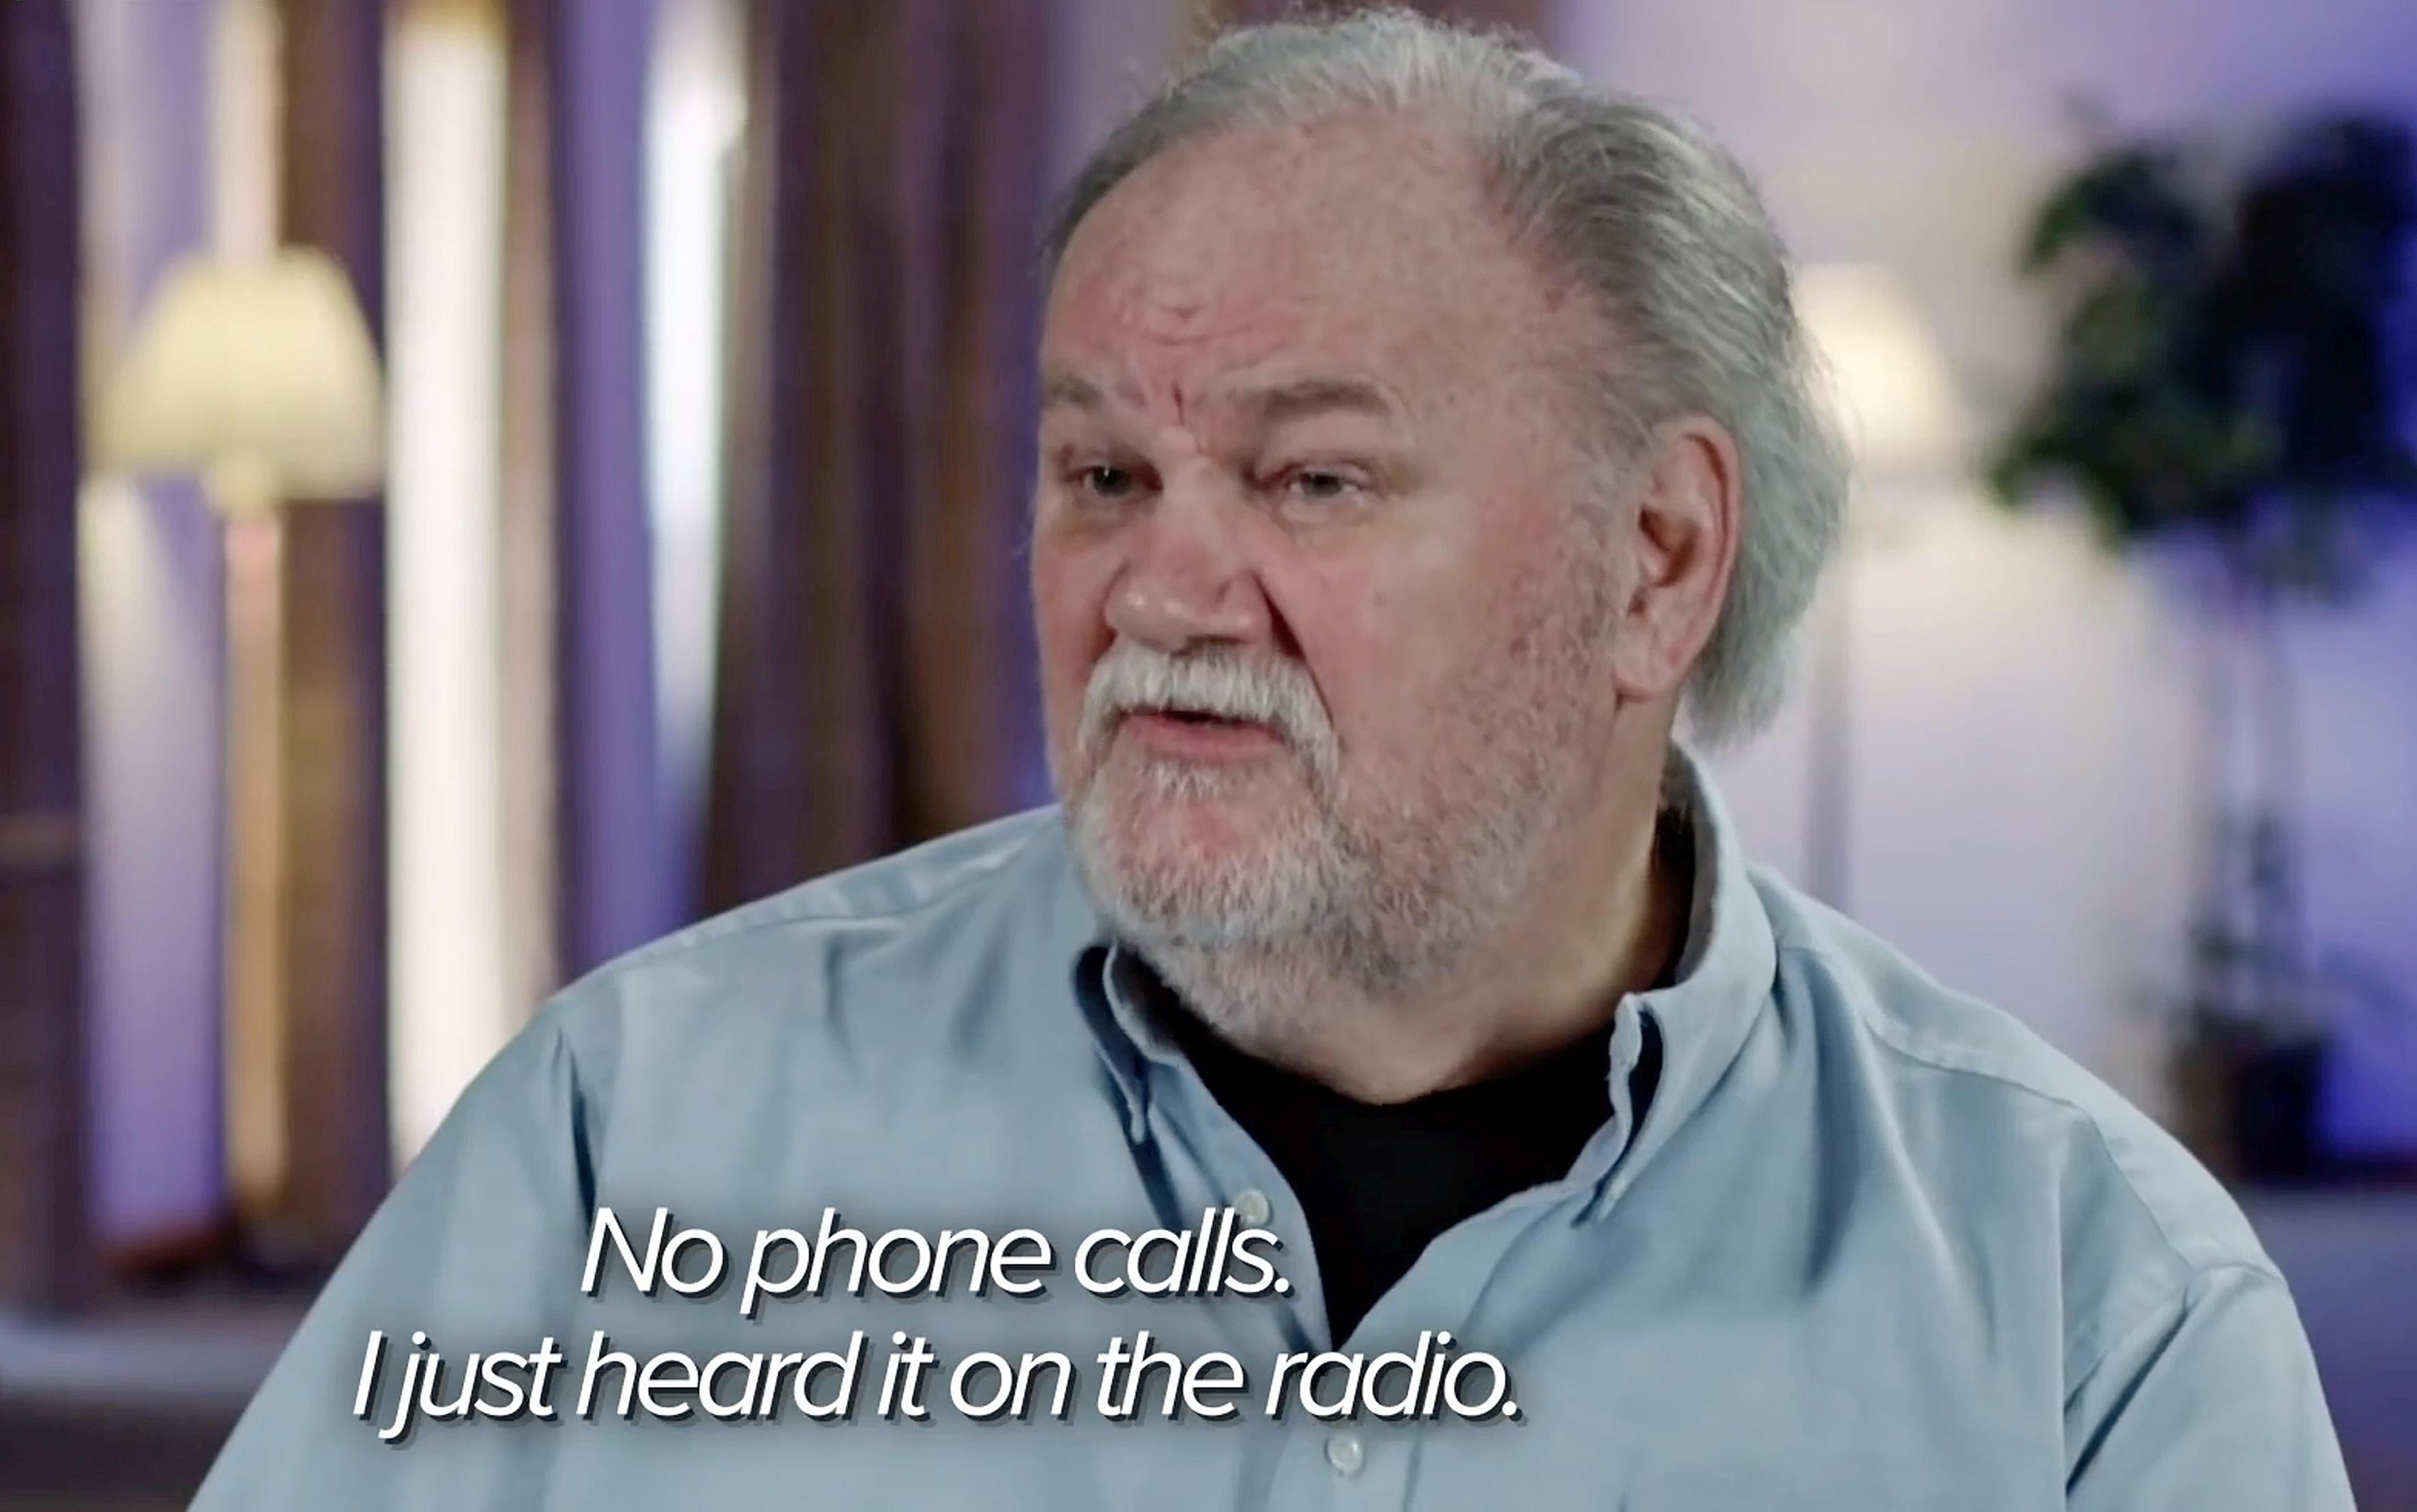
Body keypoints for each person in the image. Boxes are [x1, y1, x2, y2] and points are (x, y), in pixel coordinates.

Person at [195, 10, 2354, 1508]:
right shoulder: (634, 1132)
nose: (1162, 585)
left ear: (1656, 560)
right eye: (1103, 474)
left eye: (1315, 479)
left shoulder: (2094, 1306)